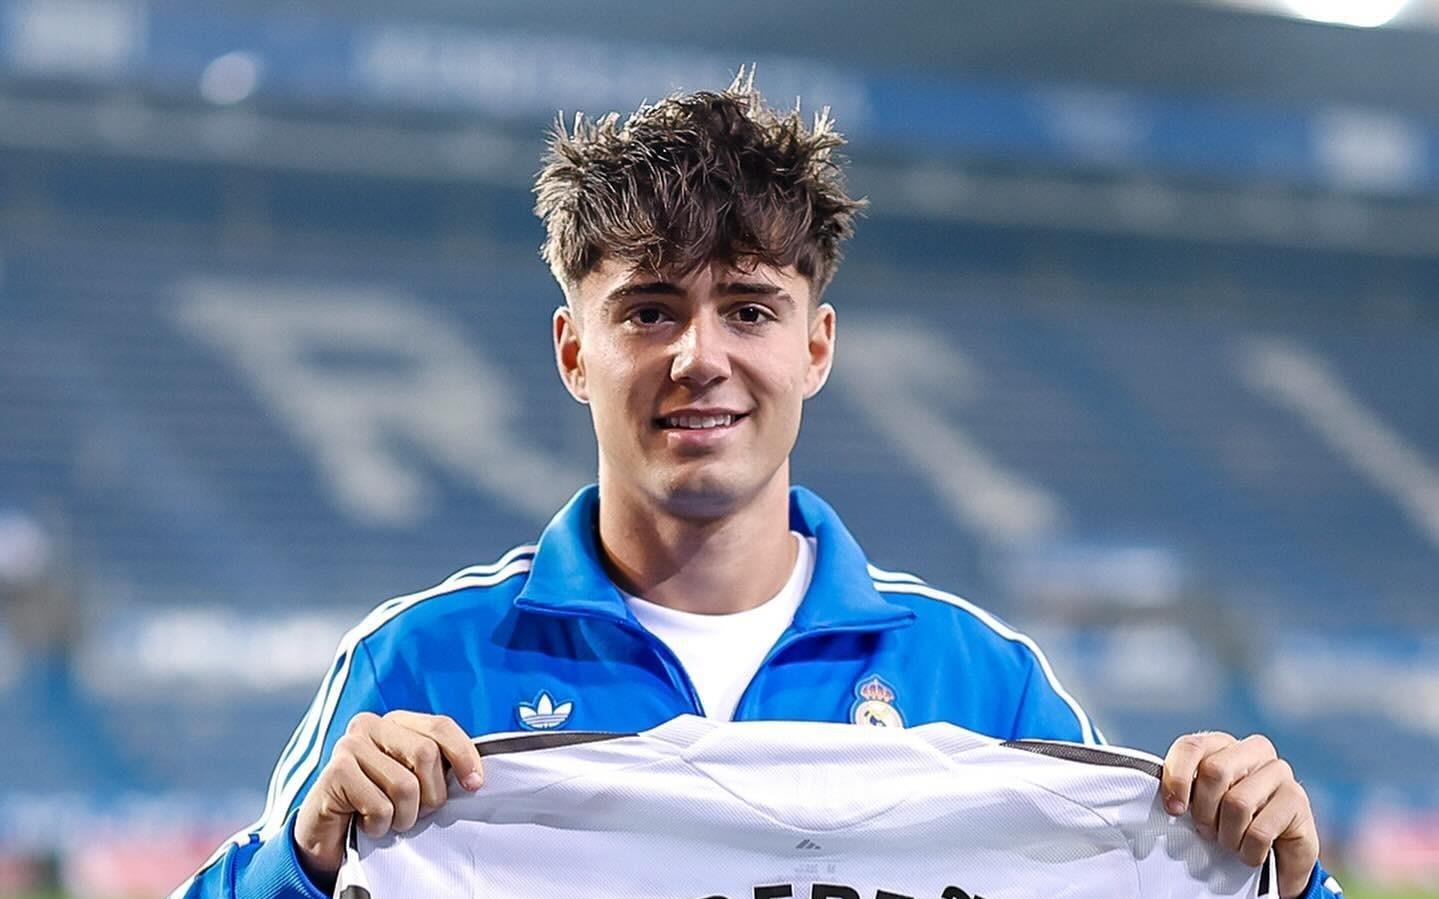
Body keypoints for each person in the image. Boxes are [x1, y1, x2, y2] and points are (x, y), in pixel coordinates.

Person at [174, 71, 1338, 899]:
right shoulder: (420, 664)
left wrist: (1275, 867)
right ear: (574, 352)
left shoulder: (978, 676)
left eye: (747, 308)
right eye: (648, 310)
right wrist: (309, 857)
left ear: (814, 346)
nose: (699, 357)